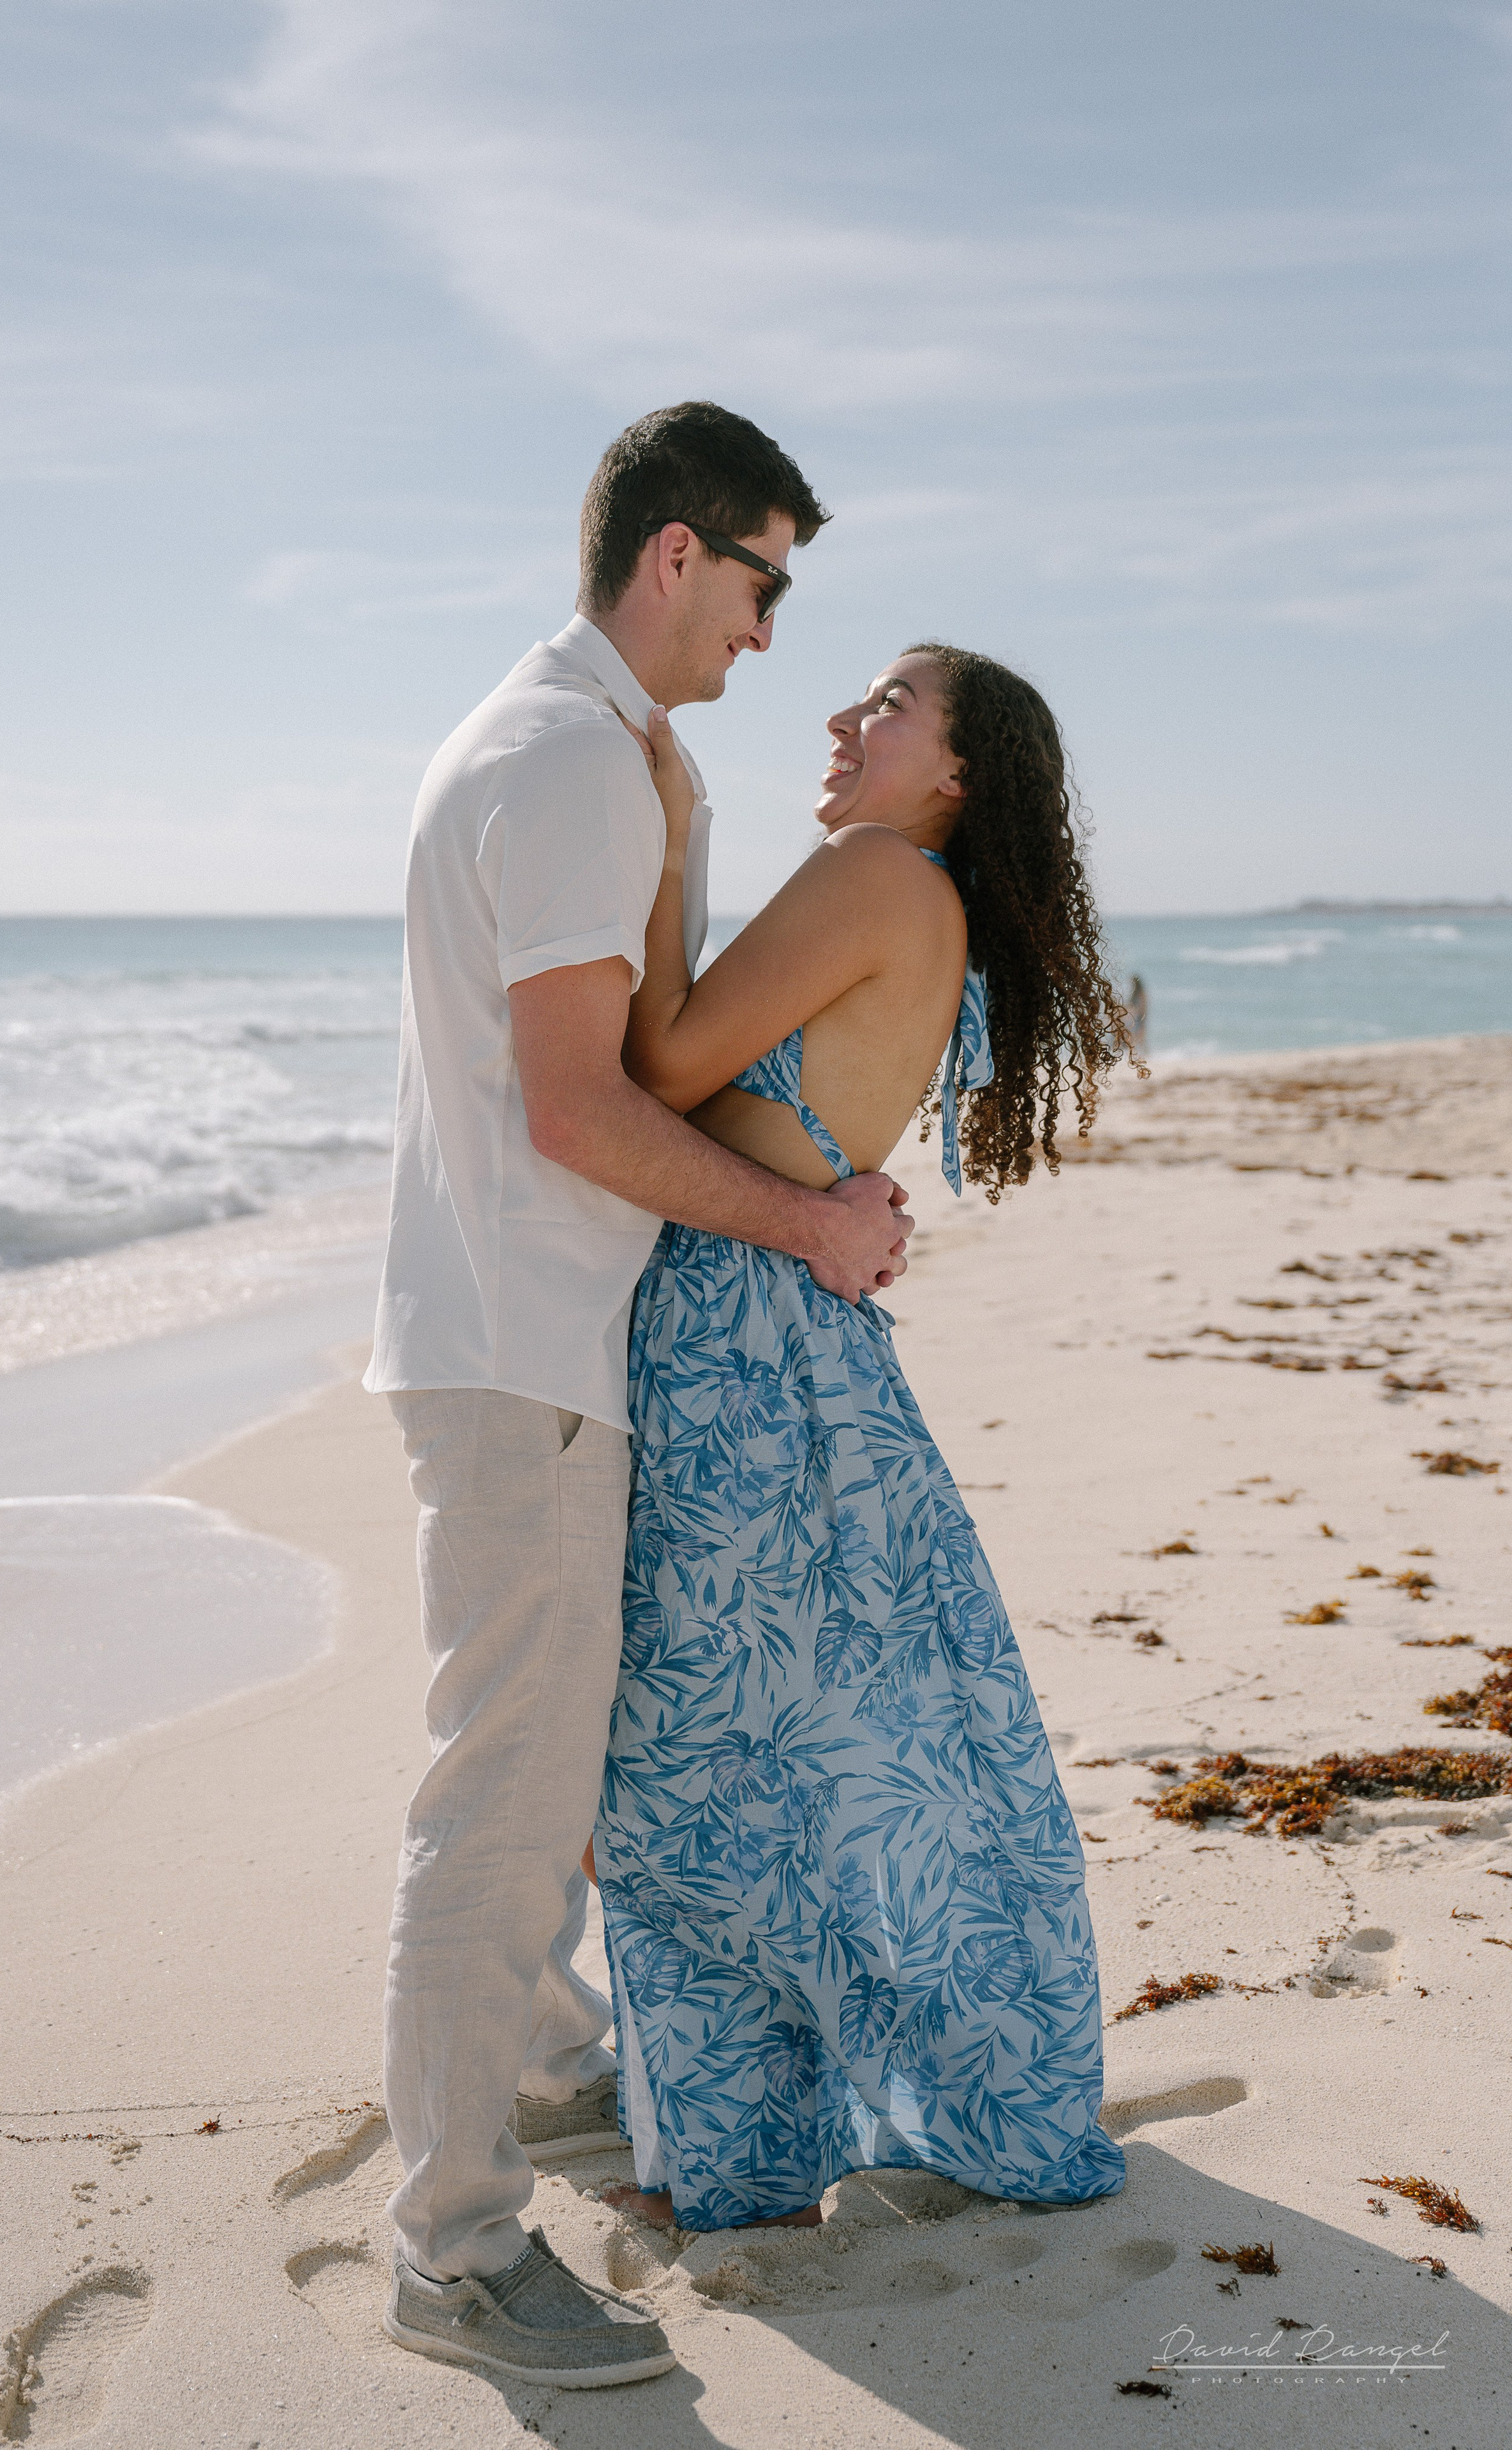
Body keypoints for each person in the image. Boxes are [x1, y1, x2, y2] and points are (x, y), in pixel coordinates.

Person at [365, 403, 913, 2389]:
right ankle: (446, 2243)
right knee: (505, 1799)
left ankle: (556, 2074)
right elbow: (584, 1104)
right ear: (677, 554)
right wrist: (814, 1234)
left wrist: (679, 844)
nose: (775, 632)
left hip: (513, 1338)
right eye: (767, 580)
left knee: (537, 1769)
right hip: (520, 1352)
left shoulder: (577, 750)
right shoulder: (573, 763)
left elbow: (630, 1059)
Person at [591, 646, 1134, 2234]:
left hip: (730, 1335)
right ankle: (842, 2100)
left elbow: (662, 1067)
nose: (843, 718)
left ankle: (746, 2142)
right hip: (796, 1336)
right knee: (830, 1742)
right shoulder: (923, 897)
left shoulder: (871, 870)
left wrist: (670, 847)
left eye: (888, 705)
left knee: (696, 1759)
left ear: (953, 774)